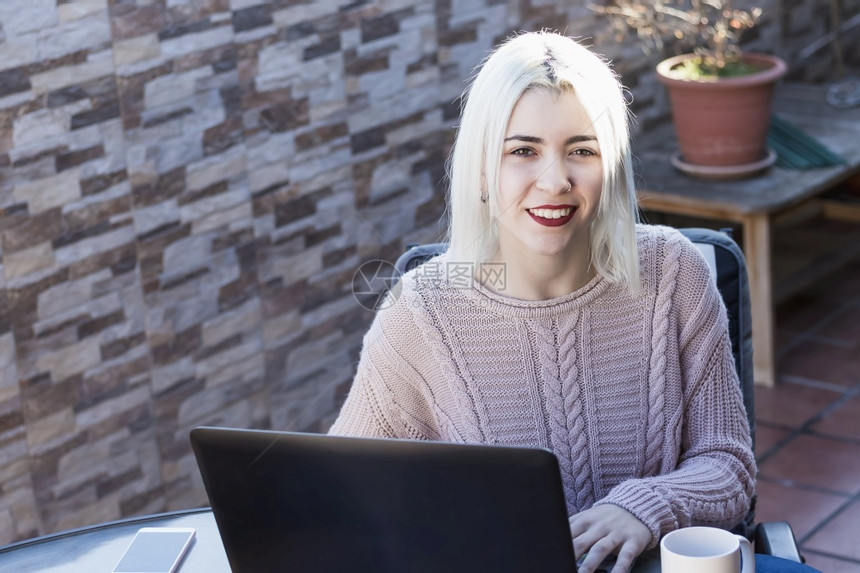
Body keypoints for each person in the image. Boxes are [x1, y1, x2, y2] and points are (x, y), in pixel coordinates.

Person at [330, 31, 819, 573]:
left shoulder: (673, 273)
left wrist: (646, 507)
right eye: (523, 151)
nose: (555, 180)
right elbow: (346, 495)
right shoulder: (420, 313)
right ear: (481, 170)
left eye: (581, 150)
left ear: (611, 166)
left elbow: (727, 464)